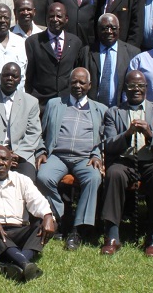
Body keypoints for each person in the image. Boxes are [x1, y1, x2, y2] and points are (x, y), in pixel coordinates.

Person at [100, 70, 153, 257]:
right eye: (132, 86)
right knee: (114, 174)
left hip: (152, 160)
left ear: (146, 88)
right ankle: (112, 236)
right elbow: (108, 144)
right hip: (125, 160)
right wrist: (126, 134)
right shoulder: (114, 112)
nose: (136, 90)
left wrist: (150, 134)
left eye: (140, 86)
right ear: (125, 88)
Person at [35, 68, 106, 250]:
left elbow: (103, 140)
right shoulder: (54, 104)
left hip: (85, 158)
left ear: (89, 86)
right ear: (69, 83)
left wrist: (97, 155)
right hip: (58, 155)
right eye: (74, 82)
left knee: (94, 178)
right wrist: (41, 151)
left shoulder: (100, 109)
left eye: (82, 82)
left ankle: (76, 229)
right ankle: (62, 216)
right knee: (43, 176)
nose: (77, 86)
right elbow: (41, 133)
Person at [0, 145, 55, 282]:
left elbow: (37, 201)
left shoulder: (22, 180)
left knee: (46, 222)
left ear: (11, 162)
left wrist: (48, 216)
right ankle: (24, 262)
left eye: (4, 159)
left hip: (18, 230)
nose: (0, 162)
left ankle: (14, 263)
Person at [24, 3, 83, 107]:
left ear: (66, 19)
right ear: (46, 18)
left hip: (67, 102)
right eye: (51, 16)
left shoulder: (75, 42)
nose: (55, 19)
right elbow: (28, 75)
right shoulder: (33, 42)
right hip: (41, 102)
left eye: (59, 16)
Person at [83, 13, 140, 108]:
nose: (109, 31)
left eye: (113, 28)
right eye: (105, 28)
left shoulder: (132, 53)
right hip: (92, 109)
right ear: (98, 30)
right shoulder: (86, 52)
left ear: (119, 29)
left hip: (121, 110)